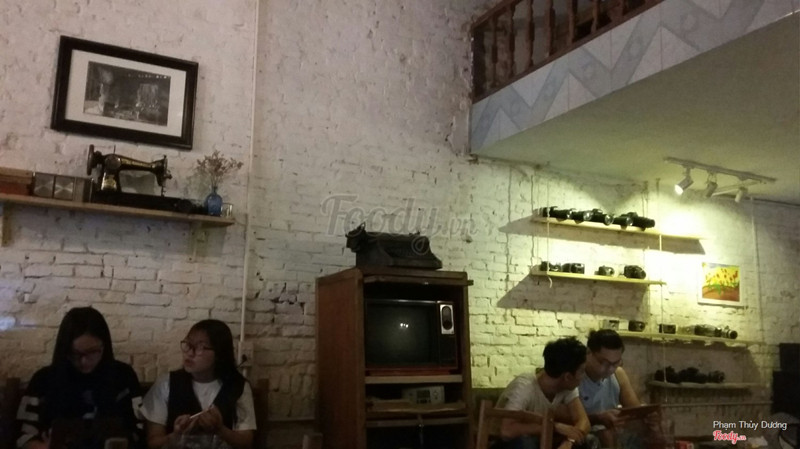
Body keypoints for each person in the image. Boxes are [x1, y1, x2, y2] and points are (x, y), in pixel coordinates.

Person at [16, 307, 144, 449]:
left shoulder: (123, 376)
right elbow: (23, 437)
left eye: (92, 352)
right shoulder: (44, 379)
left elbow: (139, 430)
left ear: (104, 346)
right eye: (75, 353)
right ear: (64, 349)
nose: (84, 361)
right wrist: (44, 447)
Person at [141, 319, 255, 449]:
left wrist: (220, 430)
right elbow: (153, 442)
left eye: (200, 347)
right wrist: (176, 436)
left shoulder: (237, 386)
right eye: (188, 344)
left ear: (219, 354)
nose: (189, 353)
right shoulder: (167, 383)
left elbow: (246, 442)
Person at [495, 337, 592, 449]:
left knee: (589, 440)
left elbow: (583, 421)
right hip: (504, 443)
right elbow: (506, 431)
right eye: (582, 371)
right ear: (568, 377)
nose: (584, 376)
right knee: (526, 443)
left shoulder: (567, 387)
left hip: (540, 440)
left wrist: (569, 442)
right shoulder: (525, 387)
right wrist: (554, 427)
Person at [579, 329, 647, 447]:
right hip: (585, 436)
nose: (610, 369)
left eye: (615, 363)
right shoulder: (576, 377)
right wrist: (598, 418)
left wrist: (648, 417)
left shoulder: (618, 374)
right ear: (589, 353)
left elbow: (634, 411)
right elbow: (567, 418)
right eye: (604, 363)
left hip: (611, 434)